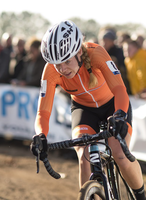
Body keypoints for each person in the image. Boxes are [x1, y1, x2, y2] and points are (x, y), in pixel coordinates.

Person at [30, 20, 146, 200]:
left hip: (113, 105)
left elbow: (119, 90)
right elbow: (43, 112)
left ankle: (141, 196)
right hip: (84, 110)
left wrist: (120, 115)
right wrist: (40, 135)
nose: (62, 68)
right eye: (56, 64)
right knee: (84, 158)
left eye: (66, 61)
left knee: (120, 155)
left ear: (78, 52)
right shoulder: (50, 71)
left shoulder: (96, 53)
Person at [98, 28, 132, 94]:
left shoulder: (119, 52)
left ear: (112, 41)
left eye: (106, 41)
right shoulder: (101, 52)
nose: (103, 43)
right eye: (102, 41)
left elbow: (123, 70)